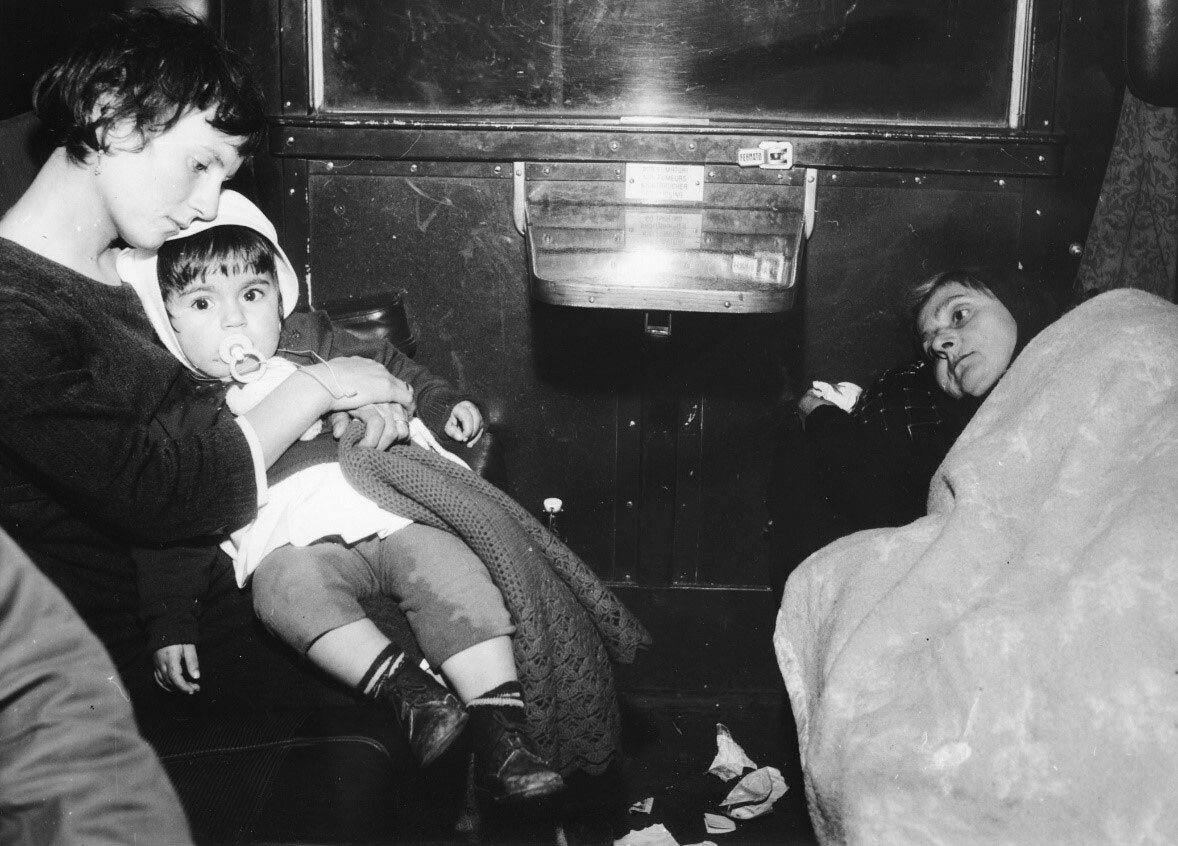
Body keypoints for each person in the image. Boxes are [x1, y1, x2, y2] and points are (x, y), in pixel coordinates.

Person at [0, 5, 422, 745]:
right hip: (145, 643)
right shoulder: (14, 312)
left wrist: (355, 407)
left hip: (231, 560)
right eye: (199, 163)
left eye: (223, 175)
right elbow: (165, 494)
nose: (208, 203)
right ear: (111, 116)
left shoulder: (134, 265)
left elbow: (238, 378)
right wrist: (321, 388)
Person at [118, 190, 565, 802]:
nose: (233, 321)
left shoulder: (313, 338)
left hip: (386, 505)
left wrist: (443, 403)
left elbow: (394, 367)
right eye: (201, 303)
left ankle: (504, 733)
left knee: (453, 568)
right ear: (167, 320)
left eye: (252, 294)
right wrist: (170, 620)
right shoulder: (181, 408)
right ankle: (412, 695)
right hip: (291, 540)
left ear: (280, 297)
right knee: (282, 591)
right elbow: (169, 521)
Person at [767, 267, 1061, 596]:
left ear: (1016, 302)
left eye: (960, 315)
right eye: (931, 348)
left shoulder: (1077, 355)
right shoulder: (956, 437)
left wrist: (818, 413)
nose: (941, 343)